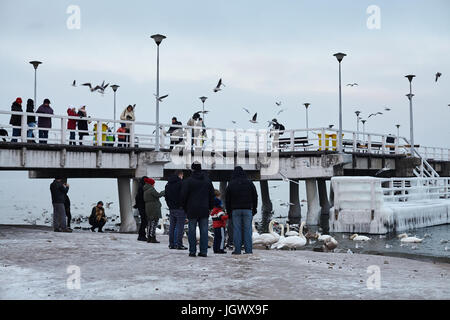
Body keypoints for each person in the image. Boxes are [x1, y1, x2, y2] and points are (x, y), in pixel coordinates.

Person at [181, 162, 215, 257]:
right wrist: (211, 207)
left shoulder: (188, 181)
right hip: (204, 208)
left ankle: (192, 251)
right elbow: (211, 195)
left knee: (191, 230)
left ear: (192, 169)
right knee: (204, 230)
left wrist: (185, 208)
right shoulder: (207, 181)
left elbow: (183, 196)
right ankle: (203, 251)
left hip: (192, 209)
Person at [225, 166, 258, 255]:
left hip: (235, 210)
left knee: (237, 230)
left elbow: (227, 199)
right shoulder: (249, 183)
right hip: (247, 209)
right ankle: (248, 250)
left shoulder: (231, 184)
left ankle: (237, 250)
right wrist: (254, 208)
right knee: (248, 230)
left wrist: (229, 212)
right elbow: (255, 196)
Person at [165, 170, 187, 250]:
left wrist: (169, 205)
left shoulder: (168, 184)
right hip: (180, 208)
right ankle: (178, 244)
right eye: (182, 176)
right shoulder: (181, 183)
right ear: (180, 175)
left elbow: (166, 197)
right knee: (179, 226)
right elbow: (184, 196)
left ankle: (171, 244)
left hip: (171, 208)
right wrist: (183, 205)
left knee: (172, 226)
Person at [143, 177, 165, 243]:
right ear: (151, 184)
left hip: (148, 208)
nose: (154, 185)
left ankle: (149, 237)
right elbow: (158, 195)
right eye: (153, 183)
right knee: (154, 223)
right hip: (153, 208)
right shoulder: (151, 189)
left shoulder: (145, 190)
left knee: (150, 223)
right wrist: (164, 191)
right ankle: (152, 238)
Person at [211, 190, 228, 254]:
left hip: (215, 226)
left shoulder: (213, 210)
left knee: (216, 238)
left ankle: (215, 249)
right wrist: (227, 215)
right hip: (220, 226)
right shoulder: (219, 210)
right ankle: (221, 249)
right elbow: (222, 217)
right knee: (222, 237)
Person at [134, 176, 149, 241]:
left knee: (144, 221)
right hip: (143, 207)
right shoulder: (143, 188)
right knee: (144, 221)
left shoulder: (141, 187)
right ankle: (141, 235)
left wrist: (137, 205)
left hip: (141, 206)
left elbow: (137, 197)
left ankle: (142, 235)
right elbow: (139, 197)